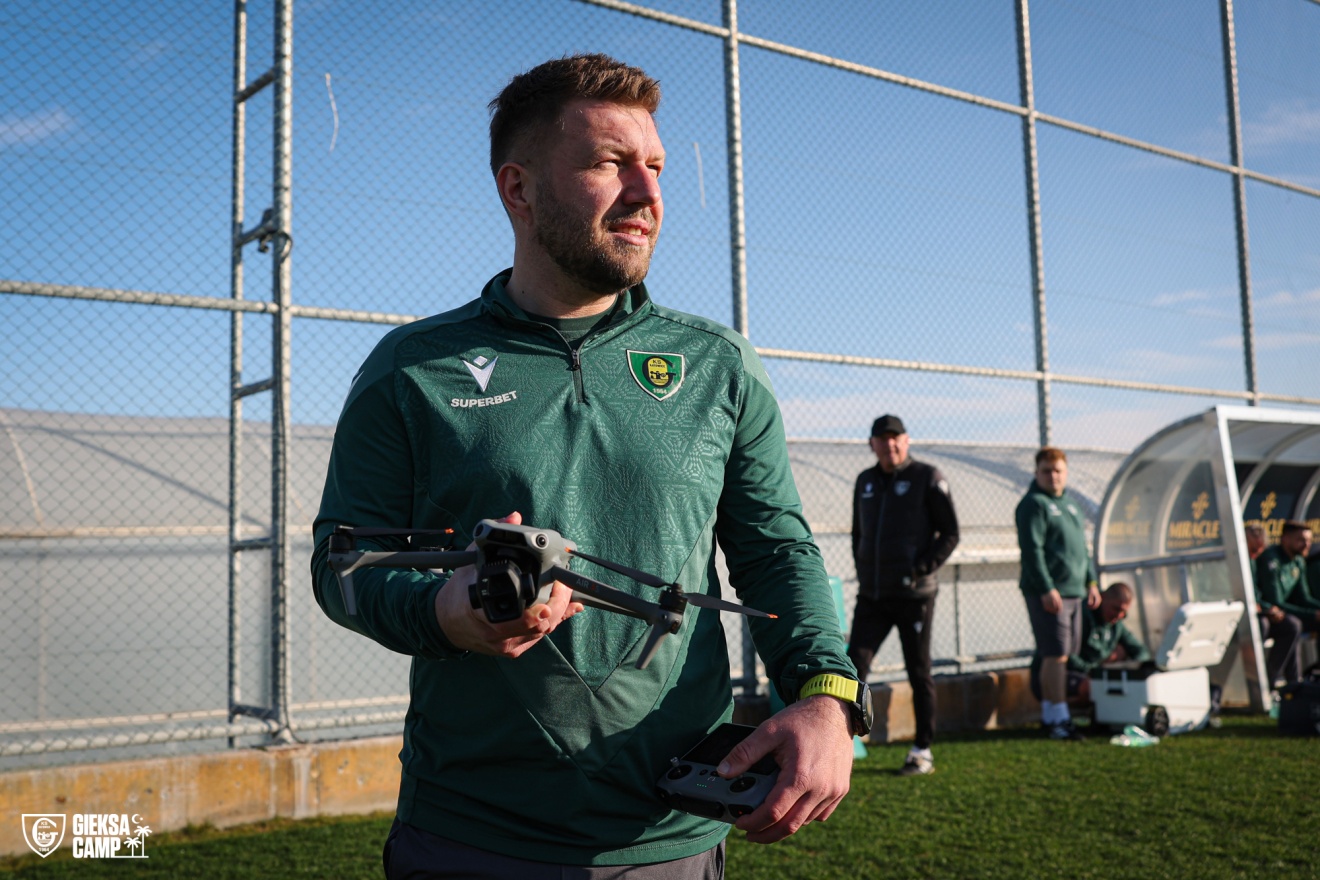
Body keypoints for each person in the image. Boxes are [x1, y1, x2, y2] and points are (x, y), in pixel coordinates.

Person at [310, 54, 869, 878]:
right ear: (520, 188)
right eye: (611, 164)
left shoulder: (718, 365)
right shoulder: (412, 368)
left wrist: (827, 695)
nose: (648, 195)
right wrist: (445, 611)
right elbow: (345, 563)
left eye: (656, 167)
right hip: (468, 834)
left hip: (671, 837)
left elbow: (777, 550)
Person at [846, 414, 959, 776]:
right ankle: (841, 746)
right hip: (873, 596)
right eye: (882, 438)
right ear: (872, 444)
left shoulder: (927, 477)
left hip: (914, 597)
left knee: (918, 671)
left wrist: (920, 570)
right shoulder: (865, 481)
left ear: (907, 441)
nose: (890, 444)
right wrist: (865, 571)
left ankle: (922, 750)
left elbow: (950, 533)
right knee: (852, 667)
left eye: (896, 437)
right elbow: (857, 534)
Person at [1015, 446, 1099, 740]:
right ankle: (1059, 719)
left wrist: (1091, 582)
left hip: (1074, 592)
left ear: (1066, 472)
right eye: (1046, 471)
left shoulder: (1071, 505)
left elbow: (1082, 549)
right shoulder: (1033, 505)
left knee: (1060, 655)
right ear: (1036, 473)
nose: (1053, 476)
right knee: (1055, 655)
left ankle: (1051, 715)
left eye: (1058, 471)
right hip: (1051, 594)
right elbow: (1032, 551)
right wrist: (1046, 587)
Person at [1029, 582, 1149, 705]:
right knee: (1092, 687)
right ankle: (1060, 711)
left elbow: (1140, 651)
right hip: (1062, 674)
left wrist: (1130, 667)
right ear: (1103, 598)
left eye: (1124, 613)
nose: (1119, 615)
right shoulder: (1081, 616)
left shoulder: (1116, 625)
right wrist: (1097, 671)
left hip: (1093, 673)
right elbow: (1067, 655)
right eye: (1116, 609)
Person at [1255, 521, 1319, 686]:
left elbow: (1304, 598)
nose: (1306, 544)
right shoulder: (1271, 559)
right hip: (1267, 613)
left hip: (1285, 613)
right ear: (1285, 539)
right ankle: (1272, 682)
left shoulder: (1298, 561)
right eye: (1301, 540)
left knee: (1297, 623)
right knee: (1292, 625)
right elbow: (1276, 602)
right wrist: (1313, 614)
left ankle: (1298, 683)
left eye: (1309, 540)